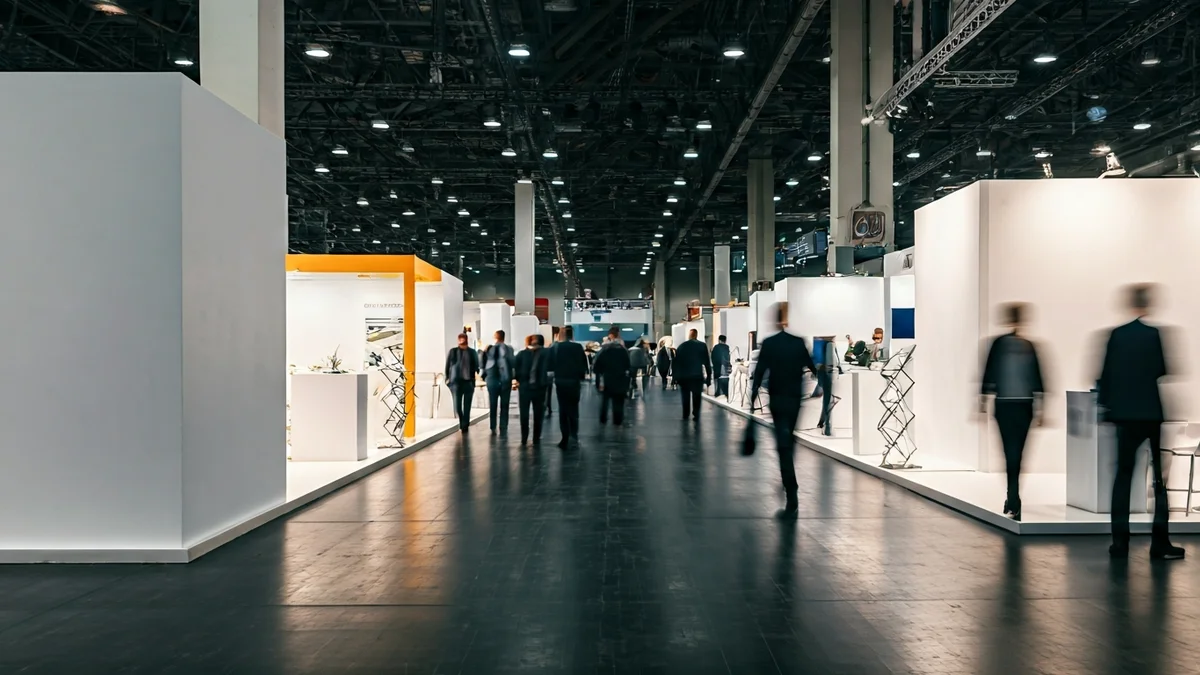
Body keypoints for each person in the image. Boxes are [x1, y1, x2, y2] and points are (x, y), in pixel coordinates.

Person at [1097, 284, 1184, 560]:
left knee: (1122, 477)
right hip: (1150, 414)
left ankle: (1119, 542)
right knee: (1159, 479)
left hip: (1124, 415)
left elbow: (1104, 375)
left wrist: (1107, 408)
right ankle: (1160, 542)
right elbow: (1164, 369)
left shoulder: (1116, 335)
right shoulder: (1154, 335)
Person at [750, 303, 818, 518]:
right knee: (788, 438)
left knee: (783, 444)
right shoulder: (798, 342)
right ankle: (789, 479)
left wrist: (752, 397)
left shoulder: (769, 343)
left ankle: (791, 487)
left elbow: (760, 371)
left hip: (777, 397)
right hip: (795, 398)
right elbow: (811, 365)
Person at [980, 303, 1046, 522]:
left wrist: (982, 401)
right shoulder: (1029, 346)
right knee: (1018, 453)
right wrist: (1042, 408)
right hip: (1024, 405)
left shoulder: (999, 344)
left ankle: (1012, 497)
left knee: (1009, 452)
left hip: (1005, 405)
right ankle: (1013, 496)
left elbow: (988, 373)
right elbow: (1039, 379)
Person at [548, 326, 588, 449]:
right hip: (574, 382)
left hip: (561, 381)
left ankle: (564, 437)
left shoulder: (555, 347)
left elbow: (550, 364)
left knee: (563, 409)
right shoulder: (578, 347)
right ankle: (574, 435)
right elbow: (583, 365)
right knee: (574, 409)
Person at [514, 333, 550, 444]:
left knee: (526, 413)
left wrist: (519, 379)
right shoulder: (545, 353)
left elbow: (515, 368)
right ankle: (535, 437)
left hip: (527, 387)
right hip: (538, 387)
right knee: (537, 414)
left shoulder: (523, 354)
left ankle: (526, 437)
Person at [594, 327, 631, 425]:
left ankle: (603, 419)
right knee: (618, 401)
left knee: (605, 400)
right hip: (620, 379)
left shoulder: (604, 349)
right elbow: (628, 365)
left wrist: (599, 378)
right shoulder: (622, 350)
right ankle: (617, 420)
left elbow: (597, 365)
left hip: (607, 379)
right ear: (618, 335)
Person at [673, 329, 712, 421]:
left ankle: (685, 413)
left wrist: (675, 377)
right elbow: (707, 362)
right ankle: (696, 414)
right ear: (696, 335)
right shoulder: (702, 345)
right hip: (696, 376)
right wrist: (709, 377)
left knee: (685, 396)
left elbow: (676, 362)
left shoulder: (682, 346)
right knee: (697, 396)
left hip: (684, 376)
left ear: (689, 335)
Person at [444, 333, 480, 432]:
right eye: (460, 339)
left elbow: (476, 365)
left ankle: (465, 425)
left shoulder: (472, 352)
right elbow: (448, 365)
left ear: (466, 340)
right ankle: (462, 420)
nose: (461, 341)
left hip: (468, 382)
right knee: (457, 406)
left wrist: (476, 375)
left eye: (463, 339)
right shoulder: (453, 351)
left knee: (467, 406)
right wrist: (447, 379)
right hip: (456, 382)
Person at [482, 330, 515, 435]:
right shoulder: (509, 349)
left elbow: (482, 364)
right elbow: (513, 363)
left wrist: (484, 376)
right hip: (506, 380)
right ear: (504, 337)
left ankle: (493, 426)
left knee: (493, 404)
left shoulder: (488, 349)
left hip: (492, 380)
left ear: (495, 337)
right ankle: (503, 426)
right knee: (505, 405)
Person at [545, 326, 560, 418]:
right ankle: (548, 406)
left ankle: (547, 406)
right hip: (554, 371)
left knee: (547, 390)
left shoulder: (551, 347)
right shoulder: (556, 346)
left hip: (548, 371)